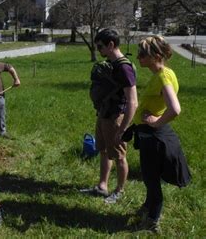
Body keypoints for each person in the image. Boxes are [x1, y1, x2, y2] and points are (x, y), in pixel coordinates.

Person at [133, 36, 191, 233]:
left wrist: (156, 122)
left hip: (154, 136)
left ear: (156, 56)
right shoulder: (165, 73)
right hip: (149, 134)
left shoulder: (162, 77)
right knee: (150, 176)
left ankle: (152, 221)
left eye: (142, 54)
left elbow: (175, 109)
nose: (138, 57)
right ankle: (147, 208)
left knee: (151, 179)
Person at [82, 29, 137, 204]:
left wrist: (123, 127)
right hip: (104, 114)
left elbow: (133, 101)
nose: (98, 50)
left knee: (120, 156)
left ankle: (119, 191)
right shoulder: (111, 64)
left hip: (116, 117)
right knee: (104, 151)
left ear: (111, 45)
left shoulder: (124, 68)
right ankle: (102, 186)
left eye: (100, 46)